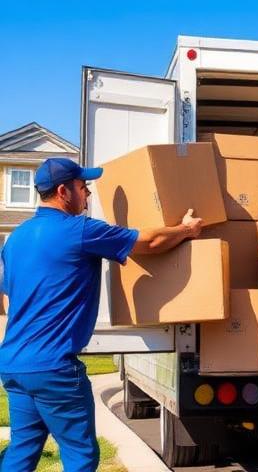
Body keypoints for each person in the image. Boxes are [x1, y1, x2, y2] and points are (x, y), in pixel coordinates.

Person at [0, 157, 203, 471]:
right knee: (81, 457)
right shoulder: (79, 231)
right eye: (83, 188)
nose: (87, 195)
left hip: (14, 364)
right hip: (54, 367)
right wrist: (186, 229)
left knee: (21, 453)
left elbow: (8, 300)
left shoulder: (15, 240)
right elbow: (151, 241)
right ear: (64, 191)